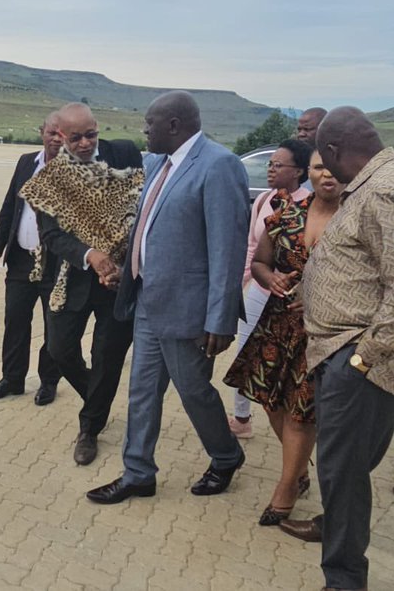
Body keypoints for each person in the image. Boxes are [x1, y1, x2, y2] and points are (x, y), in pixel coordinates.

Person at [277, 107, 394, 591]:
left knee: (341, 469)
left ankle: (344, 580)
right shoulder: (375, 184)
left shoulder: (387, 190)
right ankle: (337, 534)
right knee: (348, 465)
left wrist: (362, 359)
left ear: (331, 151)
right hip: (346, 351)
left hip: (361, 357)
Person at [86, 90, 249, 505]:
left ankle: (226, 455)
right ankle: (138, 472)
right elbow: (149, 228)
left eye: (150, 123)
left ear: (174, 125)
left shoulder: (219, 165)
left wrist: (220, 318)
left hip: (189, 309)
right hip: (147, 300)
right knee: (141, 392)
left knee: (194, 390)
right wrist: (129, 269)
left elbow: (226, 249)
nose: (144, 130)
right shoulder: (157, 163)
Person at [224, 149, 344, 527]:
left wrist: (322, 299)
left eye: (334, 168)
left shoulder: (356, 219)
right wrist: (269, 278)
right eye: (319, 167)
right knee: (268, 398)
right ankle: (299, 469)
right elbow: (261, 261)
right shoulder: (289, 214)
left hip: (324, 332)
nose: (327, 175)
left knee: (300, 410)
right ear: (309, 172)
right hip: (277, 324)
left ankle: (288, 486)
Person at [19, 103, 143, 465]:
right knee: (59, 349)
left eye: (91, 134)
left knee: (107, 356)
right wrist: (91, 254)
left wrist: (120, 262)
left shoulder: (126, 153)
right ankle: (97, 397)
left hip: (120, 281)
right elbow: (53, 236)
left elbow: (141, 209)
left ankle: (89, 429)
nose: (86, 143)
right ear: (60, 136)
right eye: (76, 138)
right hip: (71, 278)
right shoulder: (50, 180)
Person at [228, 138, 313, 439]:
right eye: (270, 164)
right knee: (245, 355)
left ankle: (293, 438)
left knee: (281, 369)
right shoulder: (265, 200)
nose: (271, 170)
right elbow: (252, 249)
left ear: (299, 171)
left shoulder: (309, 207)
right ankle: (241, 418)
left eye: (279, 165)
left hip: (291, 303)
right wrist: (239, 285)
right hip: (259, 291)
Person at [0, 113, 64, 404]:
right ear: (42, 132)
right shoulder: (26, 162)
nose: (56, 138)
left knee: (53, 326)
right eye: (51, 132)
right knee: (15, 321)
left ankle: (48, 382)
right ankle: (12, 379)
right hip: (20, 260)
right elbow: (10, 204)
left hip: (54, 264)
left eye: (62, 133)